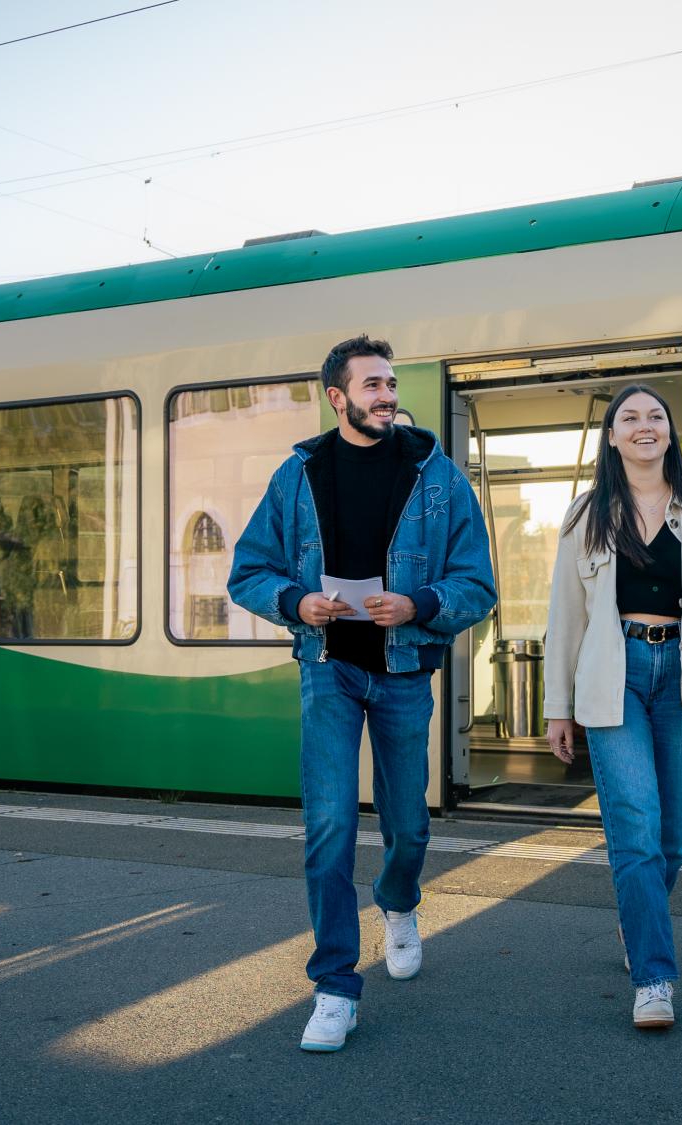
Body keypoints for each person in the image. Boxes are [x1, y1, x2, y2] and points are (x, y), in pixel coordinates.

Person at [228, 334, 496, 1052]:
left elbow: (480, 586)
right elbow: (247, 569)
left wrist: (420, 603)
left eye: (389, 383)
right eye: (371, 384)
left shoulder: (438, 477)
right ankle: (335, 986)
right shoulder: (298, 475)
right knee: (329, 826)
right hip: (328, 666)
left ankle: (399, 902)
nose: (386, 394)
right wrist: (295, 600)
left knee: (407, 826)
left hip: (405, 670)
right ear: (337, 397)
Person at [541, 384, 682, 1031]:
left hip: (681, 678)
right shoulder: (586, 515)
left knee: (672, 836)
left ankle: (637, 919)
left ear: (669, 432)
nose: (643, 425)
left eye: (654, 416)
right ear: (611, 437)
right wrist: (557, 707)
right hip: (615, 677)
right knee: (634, 826)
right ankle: (654, 978)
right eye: (628, 417)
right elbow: (566, 616)